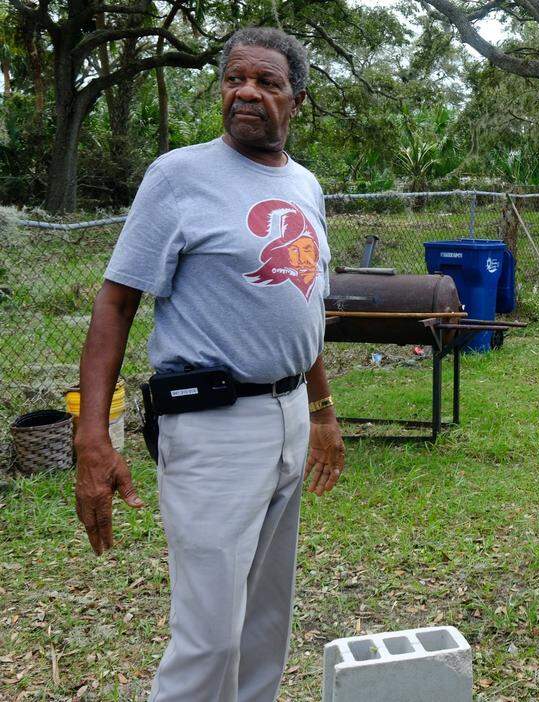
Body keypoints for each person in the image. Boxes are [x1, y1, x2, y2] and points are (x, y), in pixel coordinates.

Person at [73, 27, 346, 702]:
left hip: (286, 418)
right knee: (211, 637)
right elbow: (115, 305)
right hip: (213, 426)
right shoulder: (179, 177)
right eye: (235, 79)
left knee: (264, 625)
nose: (247, 92)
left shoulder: (305, 185)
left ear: (297, 100)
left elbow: (301, 307)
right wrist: (92, 436)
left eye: (268, 82)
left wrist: (320, 410)